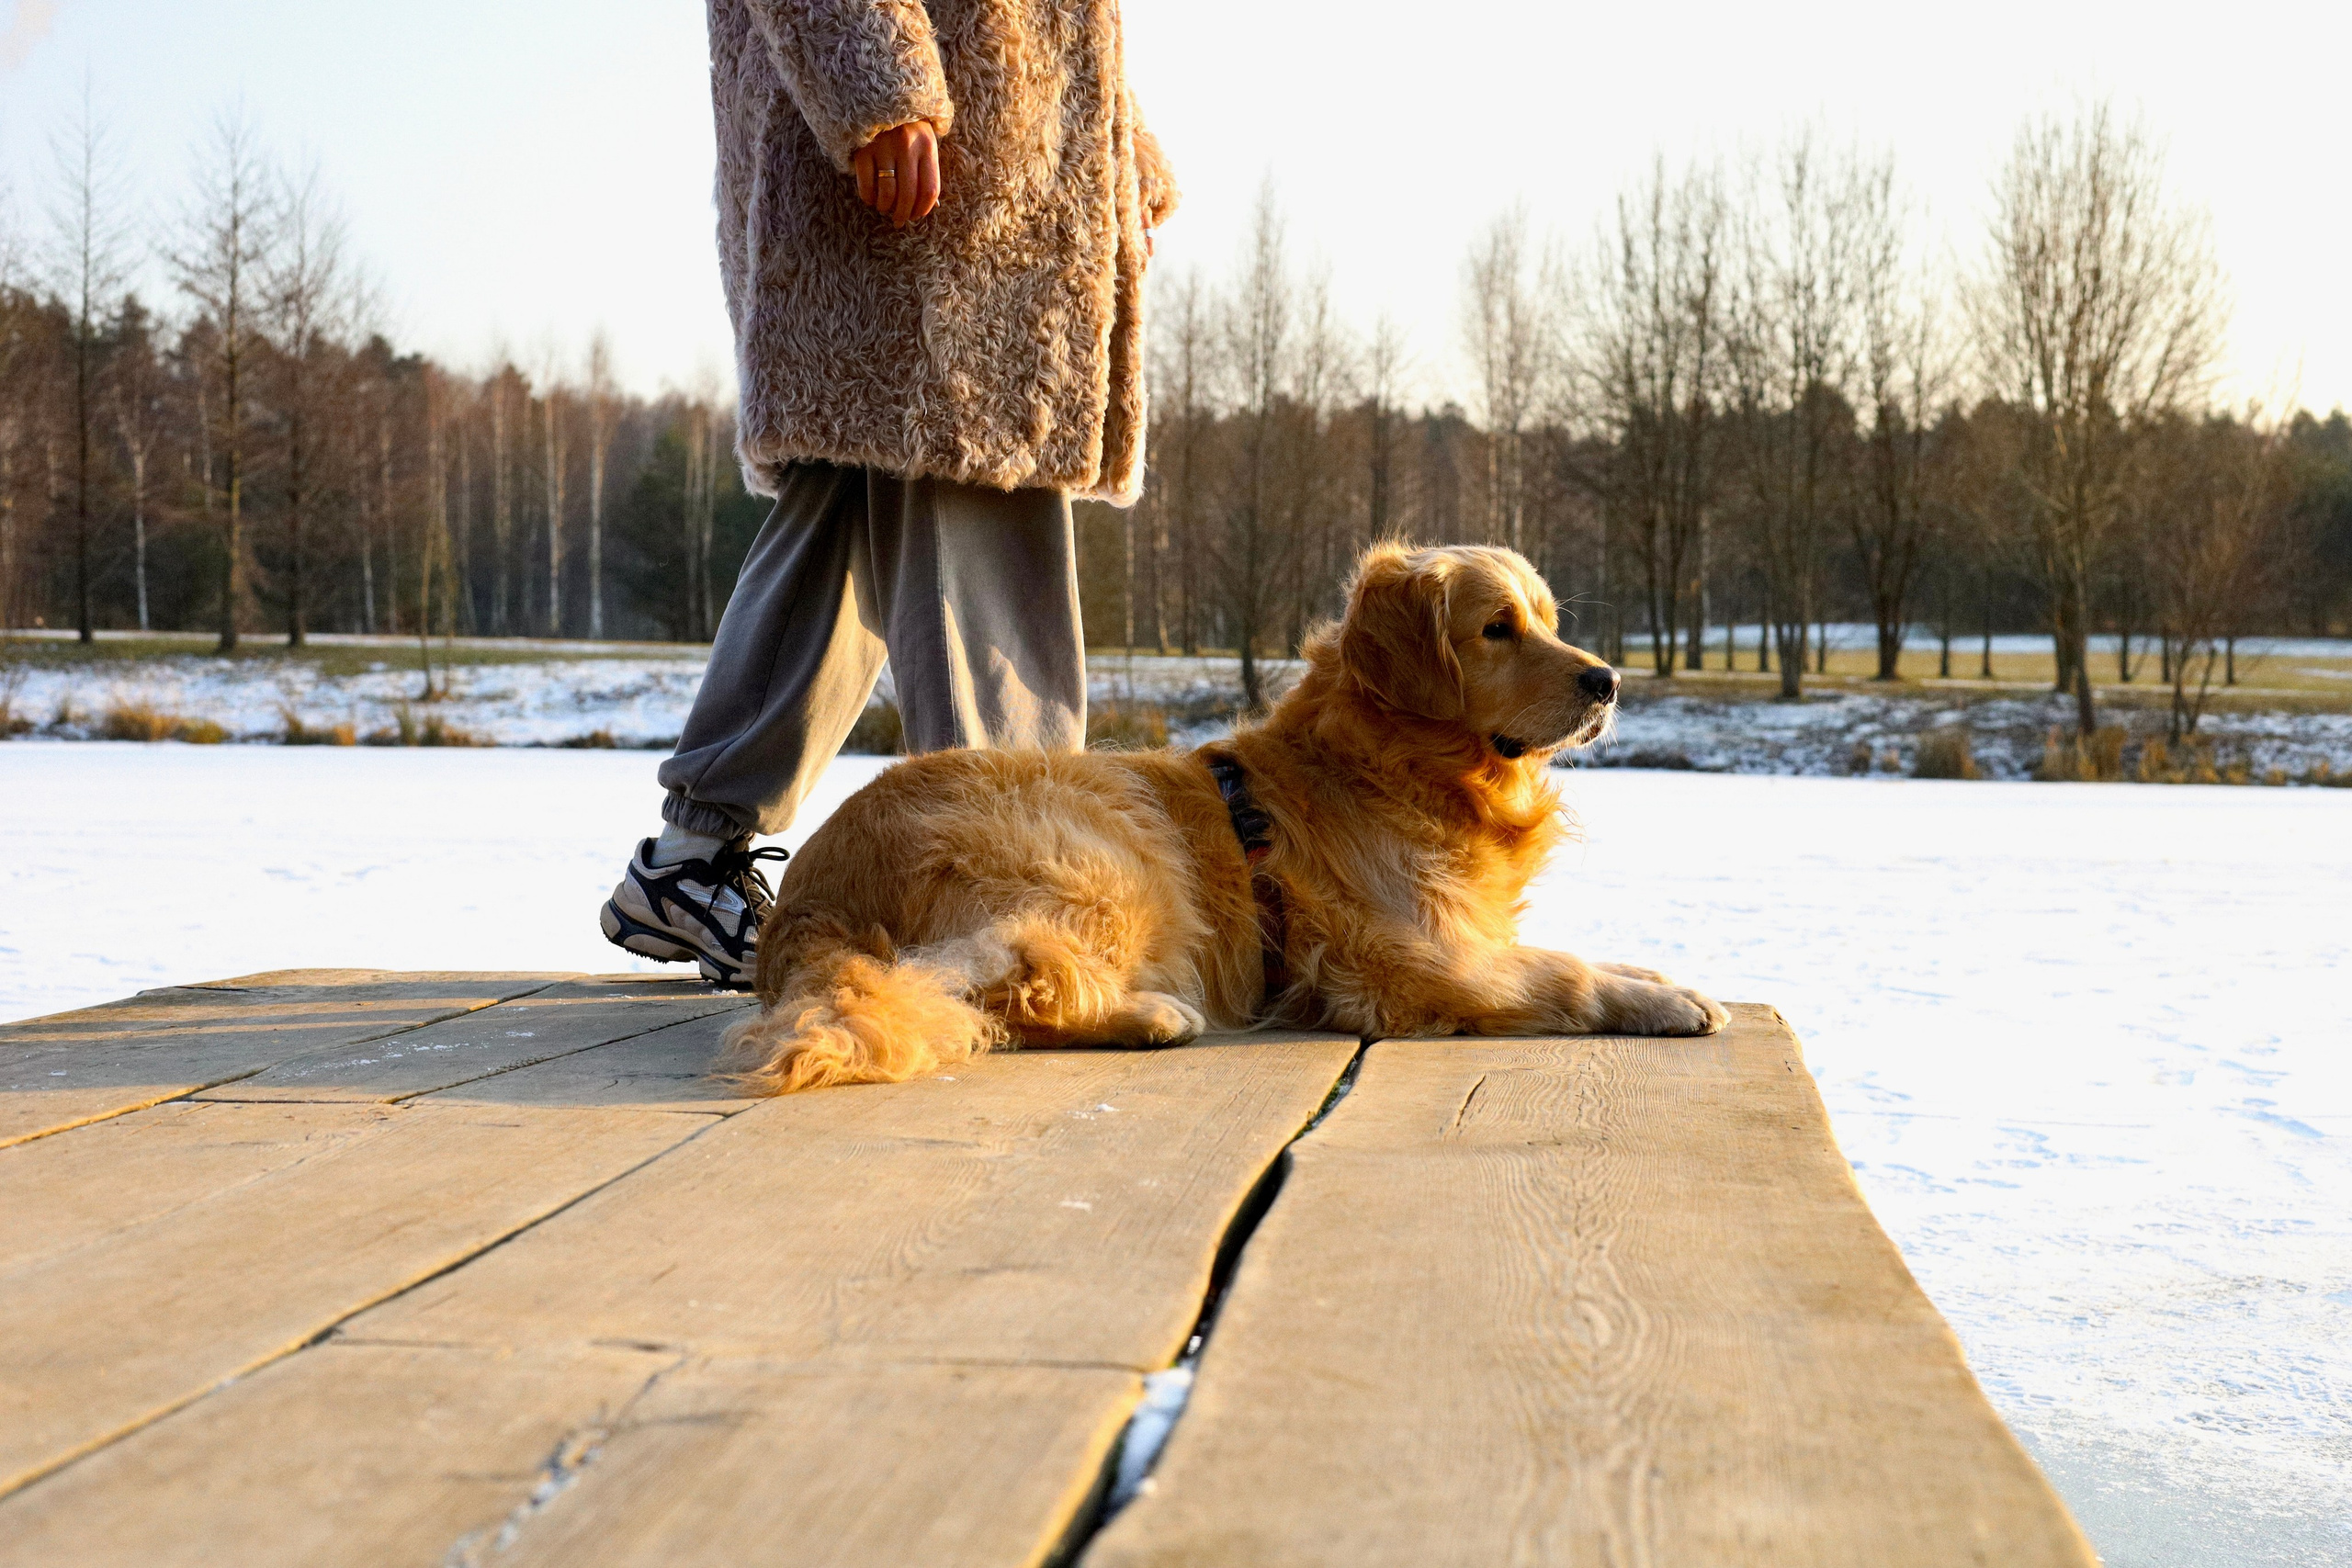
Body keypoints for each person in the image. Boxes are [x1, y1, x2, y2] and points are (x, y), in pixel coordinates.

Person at [602, 0, 1178, 986]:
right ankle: (1015, 888)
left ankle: (694, 863)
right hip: (938, 169)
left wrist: (1115, 144)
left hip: (994, 156)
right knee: (971, 478)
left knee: (856, 498)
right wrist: (876, 81)